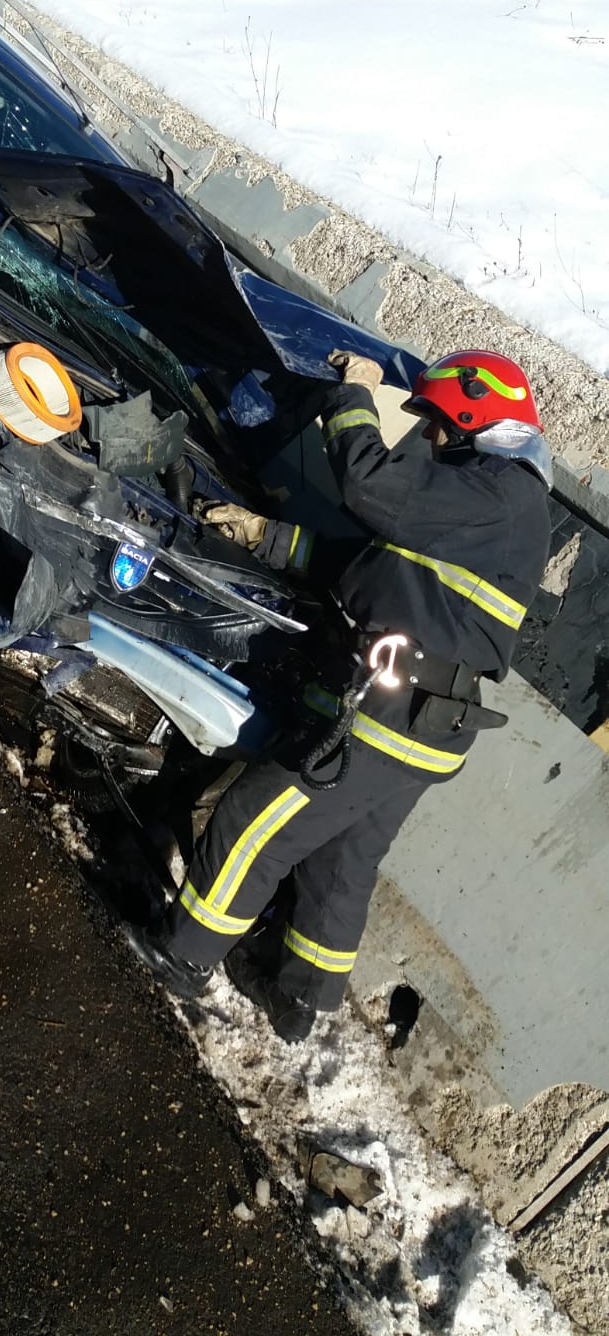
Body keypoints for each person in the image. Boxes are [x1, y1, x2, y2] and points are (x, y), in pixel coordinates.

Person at [127, 347, 552, 1043]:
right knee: (341, 862)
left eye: (437, 422)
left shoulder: (501, 492)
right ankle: (300, 1000)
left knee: (255, 821)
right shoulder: (490, 504)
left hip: (388, 711)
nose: (429, 435)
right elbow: (372, 571)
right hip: (426, 720)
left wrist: (353, 397)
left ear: (472, 415)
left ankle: (184, 954)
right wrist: (265, 537)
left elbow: (370, 485)